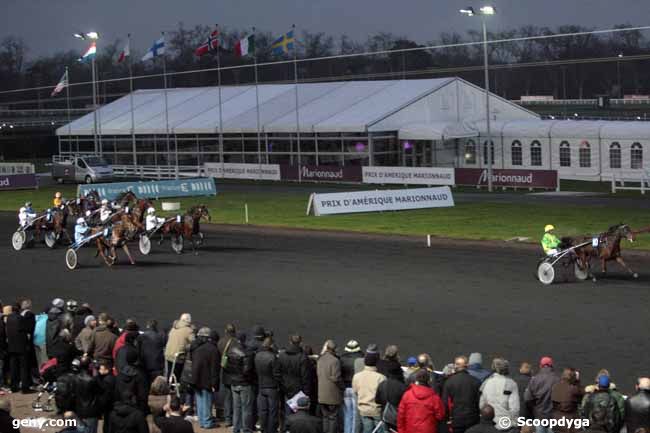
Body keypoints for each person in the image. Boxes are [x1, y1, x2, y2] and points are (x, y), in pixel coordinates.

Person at [190, 327, 220, 429]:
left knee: (200, 401)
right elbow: (214, 370)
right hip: (207, 381)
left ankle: (202, 421)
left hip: (196, 379)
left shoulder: (199, 349)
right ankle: (207, 422)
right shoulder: (214, 351)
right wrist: (214, 384)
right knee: (207, 402)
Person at [397, 369, 445, 433]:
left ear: (416, 380)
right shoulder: (434, 397)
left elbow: (400, 415)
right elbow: (440, 416)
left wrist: (401, 431)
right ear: (429, 381)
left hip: (410, 430)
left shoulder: (407, 395)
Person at [442, 356, 481, 433]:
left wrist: (446, 419)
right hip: (473, 419)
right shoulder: (476, 381)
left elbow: (445, 403)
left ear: (455, 366)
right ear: (467, 366)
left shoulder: (449, 382)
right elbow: (479, 402)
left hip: (456, 419)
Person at [352, 345, 386, 433]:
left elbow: (355, 391)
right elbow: (383, 396)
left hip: (363, 411)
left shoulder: (357, 376)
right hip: (376, 411)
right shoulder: (381, 378)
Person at [479, 358, 519, 431]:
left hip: (491, 425)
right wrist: (514, 423)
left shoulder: (486, 383)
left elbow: (481, 405)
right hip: (506, 425)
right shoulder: (511, 384)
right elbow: (514, 408)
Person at [524, 356, 560, 433]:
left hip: (539, 416)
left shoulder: (534, 379)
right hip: (553, 417)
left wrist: (533, 411)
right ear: (552, 366)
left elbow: (527, 399)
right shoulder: (558, 380)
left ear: (540, 366)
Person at [317, 340, 344, 433]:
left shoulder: (320, 359)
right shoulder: (335, 361)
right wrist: (342, 387)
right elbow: (336, 378)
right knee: (332, 417)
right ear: (334, 350)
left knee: (325, 417)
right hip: (332, 396)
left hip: (321, 394)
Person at [5, 305, 31, 393]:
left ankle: (13, 387)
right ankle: (24, 387)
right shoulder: (21, 318)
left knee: (13, 367)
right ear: (19, 309)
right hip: (21, 346)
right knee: (23, 367)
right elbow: (26, 330)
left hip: (11, 347)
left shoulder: (8, 318)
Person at [340, 340, 363, 433]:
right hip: (355, 389)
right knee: (355, 415)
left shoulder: (341, 359)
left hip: (345, 389)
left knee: (347, 414)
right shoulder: (361, 358)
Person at [74, 357, 102, 433]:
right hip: (91, 411)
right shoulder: (92, 380)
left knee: (80, 430)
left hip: (79, 410)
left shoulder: (74, 378)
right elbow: (100, 391)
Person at [551, 368, 583, 433]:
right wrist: (577, 382)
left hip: (556, 420)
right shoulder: (573, 389)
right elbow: (581, 394)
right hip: (569, 422)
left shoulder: (555, 386)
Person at [164, 314, 194, 382]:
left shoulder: (174, 327)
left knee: (170, 373)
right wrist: (187, 347)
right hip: (178, 356)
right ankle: (174, 388)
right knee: (176, 375)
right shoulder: (189, 330)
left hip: (168, 354)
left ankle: (168, 386)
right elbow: (194, 343)